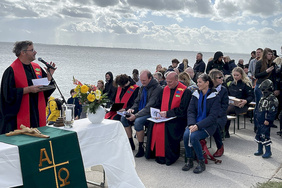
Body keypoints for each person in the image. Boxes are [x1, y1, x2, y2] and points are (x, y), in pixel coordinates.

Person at [0, 41, 56, 134]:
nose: (35, 52)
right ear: (23, 52)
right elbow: (7, 95)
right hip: (18, 117)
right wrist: (28, 90)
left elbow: (46, 88)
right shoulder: (11, 71)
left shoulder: (37, 67)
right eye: (32, 50)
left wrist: (49, 76)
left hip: (36, 114)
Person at [145, 72, 192, 165]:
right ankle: (154, 154)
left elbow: (183, 110)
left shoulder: (185, 91)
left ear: (176, 80)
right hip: (164, 116)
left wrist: (168, 113)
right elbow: (158, 103)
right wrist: (157, 113)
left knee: (167, 127)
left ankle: (168, 156)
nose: (168, 84)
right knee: (152, 125)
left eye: (170, 82)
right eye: (167, 81)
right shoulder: (164, 89)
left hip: (178, 119)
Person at [182, 74, 220, 174]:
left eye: (200, 82)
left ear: (207, 83)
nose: (197, 84)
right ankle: (189, 160)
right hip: (194, 123)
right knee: (186, 135)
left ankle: (201, 162)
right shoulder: (195, 94)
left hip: (208, 125)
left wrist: (198, 126)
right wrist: (191, 124)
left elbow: (212, 117)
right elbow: (190, 111)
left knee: (194, 137)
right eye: (197, 82)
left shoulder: (215, 96)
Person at [121, 70, 162, 157]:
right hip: (140, 110)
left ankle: (140, 147)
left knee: (138, 121)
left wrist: (135, 115)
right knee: (124, 117)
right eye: (141, 80)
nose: (142, 82)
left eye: (144, 80)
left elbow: (150, 106)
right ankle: (131, 142)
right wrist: (131, 109)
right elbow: (137, 101)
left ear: (150, 78)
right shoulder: (143, 87)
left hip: (151, 112)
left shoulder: (157, 88)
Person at [254, 48, 279, 131]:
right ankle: (257, 125)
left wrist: (276, 88)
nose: (270, 56)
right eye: (269, 54)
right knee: (259, 106)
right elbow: (256, 75)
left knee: (270, 106)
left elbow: (274, 77)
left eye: (271, 54)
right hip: (260, 86)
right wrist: (266, 71)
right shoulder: (259, 63)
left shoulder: (273, 64)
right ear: (265, 55)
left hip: (270, 88)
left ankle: (268, 123)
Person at [225, 67, 254, 137]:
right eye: (234, 75)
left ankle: (225, 130)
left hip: (242, 105)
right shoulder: (231, 84)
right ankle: (222, 129)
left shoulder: (246, 84)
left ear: (241, 75)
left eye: (237, 75)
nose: (235, 77)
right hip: (232, 104)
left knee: (227, 110)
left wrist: (245, 101)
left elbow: (251, 96)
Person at [254, 79, 278, 158]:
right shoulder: (263, 98)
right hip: (260, 120)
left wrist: (268, 119)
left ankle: (268, 151)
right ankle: (260, 149)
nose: (262, 92)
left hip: (265, 121)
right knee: (259, 135)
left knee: (265, 136)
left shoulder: (272, 99)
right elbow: (259, 107)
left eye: (264, 90)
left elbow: (273, 111)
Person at [209, 69, 229, 157]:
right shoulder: (207, 88)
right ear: (213, 79)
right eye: (219, 77)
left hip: (219, 116)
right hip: (208, 114)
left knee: (215, 125)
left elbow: (224, 106)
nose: (222, 79)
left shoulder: (223, 90)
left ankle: (220, 147)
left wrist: (215, 115)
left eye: (222, 77)